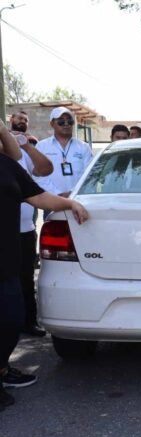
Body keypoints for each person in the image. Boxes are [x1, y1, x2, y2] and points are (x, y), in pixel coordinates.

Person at [0, 120, 89, 410]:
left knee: (12, 320)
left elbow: (37, 195)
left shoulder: (8, 166)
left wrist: (70, 204)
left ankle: (2, 369)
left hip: (7, 261)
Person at [10, 111, 54, 337]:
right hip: (5, 232)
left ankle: (28, 321)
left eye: (24, 120)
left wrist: (25, 146)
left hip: (25, 230)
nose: (20, 123)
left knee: (25, 280)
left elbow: (45, 169)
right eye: (17, 119)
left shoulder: (23, 150)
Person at [35, 107, 93, 200]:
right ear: (52, 124)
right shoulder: (41, 146)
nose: (66, 124)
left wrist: (72, 193)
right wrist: (57, 194)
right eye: (61, 121)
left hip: (78, 199)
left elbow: (90, 175)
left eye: (69, 121)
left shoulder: (84, 147)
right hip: (51, 201)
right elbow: (38, 175)